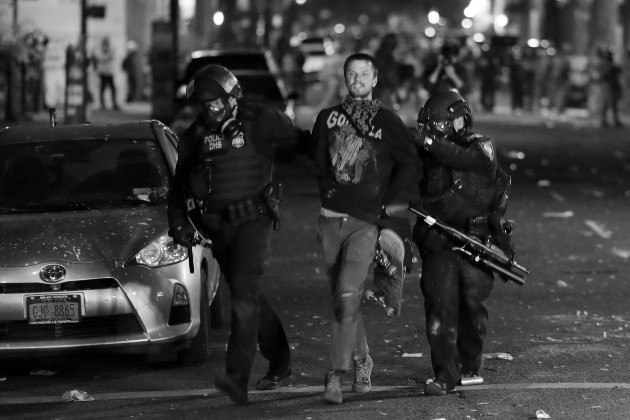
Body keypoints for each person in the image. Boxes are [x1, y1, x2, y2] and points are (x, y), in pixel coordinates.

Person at [167, 64, 309, 404]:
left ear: (234, 98)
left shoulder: (261, 120)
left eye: (218, 102)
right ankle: (280, 361)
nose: (212, 110)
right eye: (206, 105)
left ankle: (236, 377)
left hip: (253, 223)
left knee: (244, 297)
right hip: (217, 228)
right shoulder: (195, 136)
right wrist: (179, 223)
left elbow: (302, 143)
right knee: (250, 296)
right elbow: (179, 187)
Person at [310, 52, 419, 404]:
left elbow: (408, 162)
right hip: (329, 220)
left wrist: (385, 201)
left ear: (375, 80)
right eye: (351, 73)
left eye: (364, 74)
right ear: (345, 79)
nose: (357, 79)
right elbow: (317, 162)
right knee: (344, 299)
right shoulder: (327, 118)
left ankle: (335, 376)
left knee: (346, 294)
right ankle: (362, 358)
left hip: (365, 222)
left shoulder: (389, 122)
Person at [411, 90, 512, 396]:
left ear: (459, 120)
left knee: (473, 310)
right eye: (431, 126)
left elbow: (464, 159)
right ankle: (445, 373)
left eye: (441, 124)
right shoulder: (425, 156)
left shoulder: (481, 146)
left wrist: (428, 142)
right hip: (439, 242)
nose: (435, 131)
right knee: (439, 310)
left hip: (476, 242)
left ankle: (469, 363)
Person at [92, 37, 120, 110]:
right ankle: (102, 104)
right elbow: (101, 58)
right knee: (102, 88)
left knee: (112, 88)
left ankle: (114, 103)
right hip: (103, 72)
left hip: (109, 72)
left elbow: (111, 57)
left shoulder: (110, 50)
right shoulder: (100, 51)